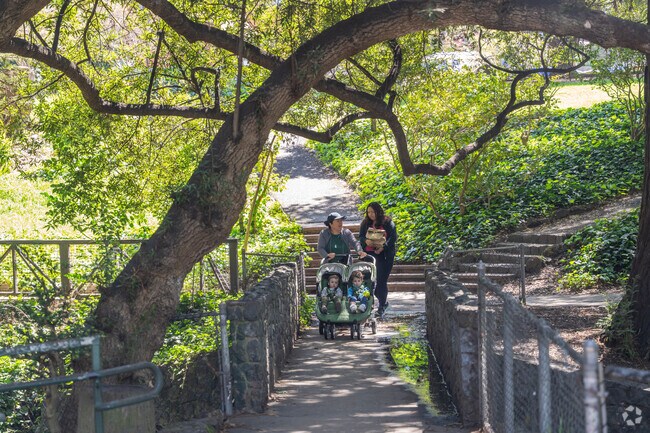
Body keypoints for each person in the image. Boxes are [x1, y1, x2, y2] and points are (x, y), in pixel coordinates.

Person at [359, 202, 397, 316]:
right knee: (369, 281)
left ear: (378, 211)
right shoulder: (365, 223)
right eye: (369, 212)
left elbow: (393, 237)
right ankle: (369, 304)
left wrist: (383, 247)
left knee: (381, 281)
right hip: (370, 255)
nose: (371, 214)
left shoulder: (388, 222)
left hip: (384, 256)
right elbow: (360, 236)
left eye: (373, 212)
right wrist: (366, 241)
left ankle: (382, 305)